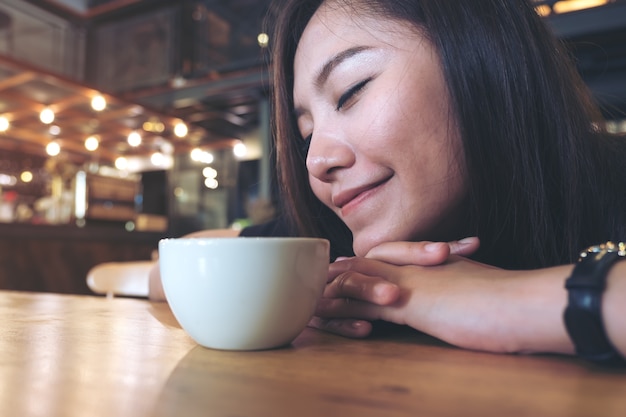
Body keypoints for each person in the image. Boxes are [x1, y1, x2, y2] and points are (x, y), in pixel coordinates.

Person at [151, 0, 626, 365]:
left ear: (479, 54)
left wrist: (503, 303)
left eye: (352, 90)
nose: (316, 160)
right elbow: (182, 262)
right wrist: (295, 291)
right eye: (306, 133)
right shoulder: (343, 252)